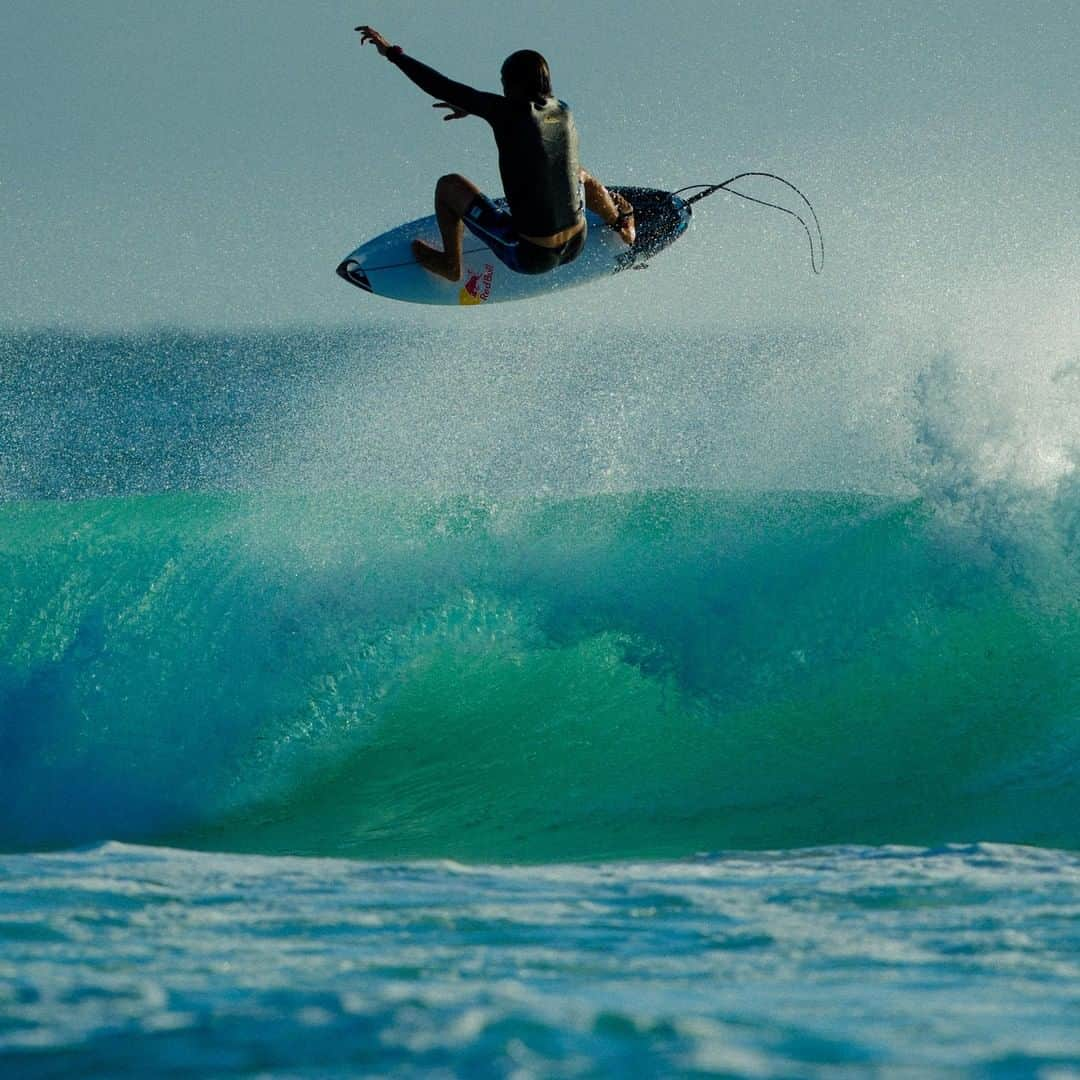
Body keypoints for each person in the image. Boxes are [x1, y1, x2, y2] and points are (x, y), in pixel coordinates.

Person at [356, 26, 636, 282]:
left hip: (530, 254)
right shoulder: (563, 111)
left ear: (514, 85)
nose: (501, 88)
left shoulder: (505, 113)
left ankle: (450, 264)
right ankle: (620, 222)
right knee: (579, 173)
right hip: (577, 241)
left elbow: (440, 86)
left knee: (448, 186)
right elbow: (526, 126)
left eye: (504, 82)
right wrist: (478, 110)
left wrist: (393, 53)